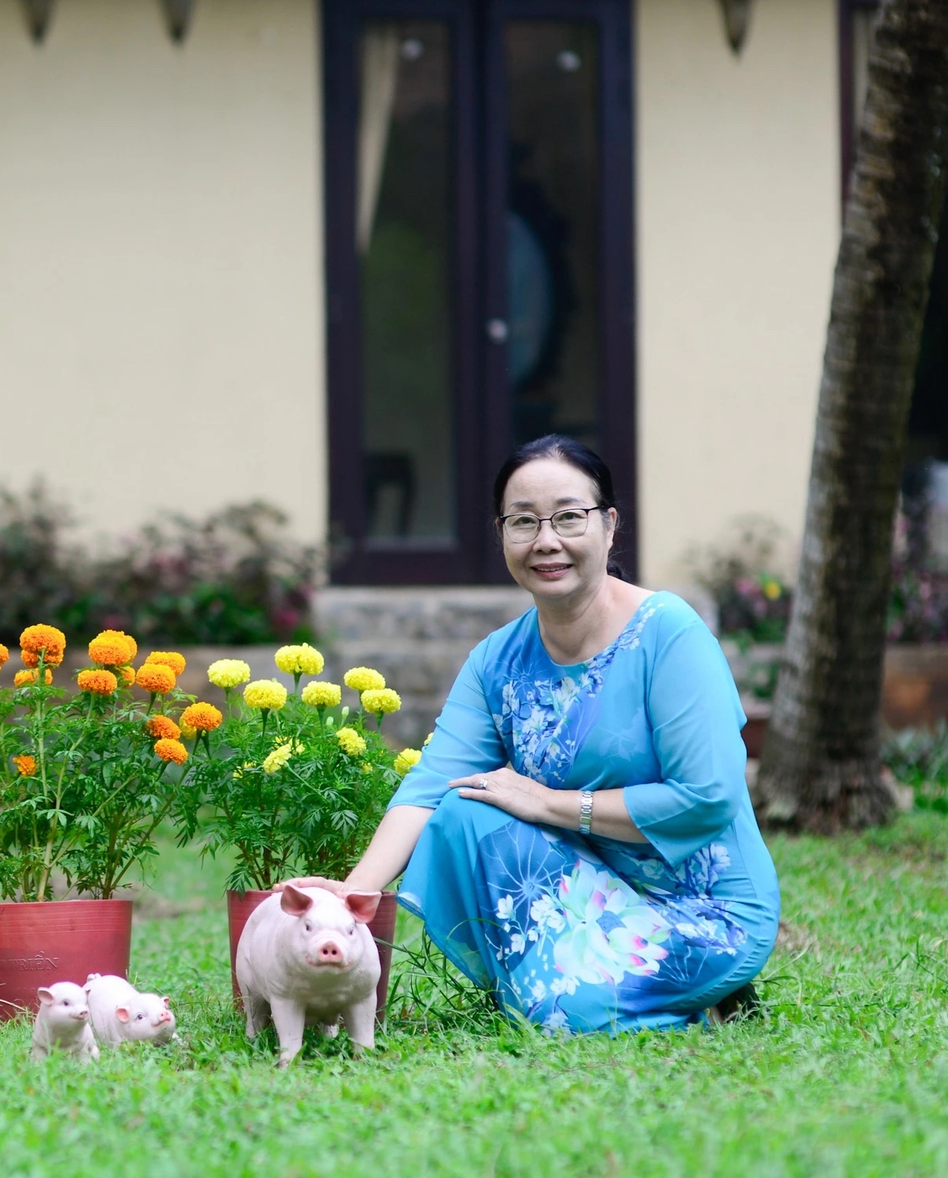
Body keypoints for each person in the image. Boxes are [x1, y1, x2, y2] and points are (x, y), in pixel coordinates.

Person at [285, 435, 779, 1031]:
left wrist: (551, 804)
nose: (546, 541)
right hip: (585, 902)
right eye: (523, 522)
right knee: (463, 811)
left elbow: (708, 797)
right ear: (502, 534)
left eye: (569, 517)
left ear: (610, 526)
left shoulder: (669, 635)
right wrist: (348, 897)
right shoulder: (498, 659)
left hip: (705, 910)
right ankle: (580, 991)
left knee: (557, 1016)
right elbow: (427, 788)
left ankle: (703, 997)